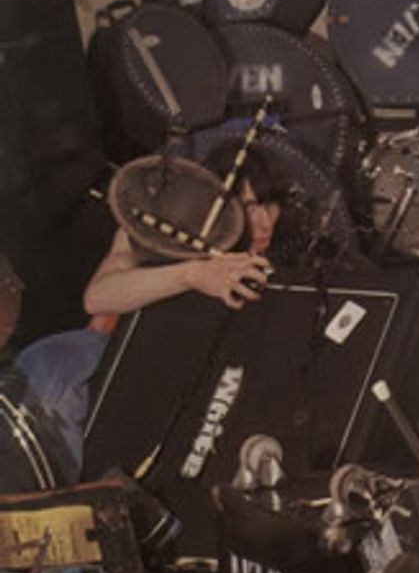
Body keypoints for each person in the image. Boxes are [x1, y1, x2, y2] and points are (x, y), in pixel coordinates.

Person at [13, 144, 290, 477]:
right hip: (147, 356)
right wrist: (191, 275)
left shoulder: (292, 242)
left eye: (270, 205)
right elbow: (98, 297)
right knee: (49, 361)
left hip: (229, 375)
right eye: (250, 207)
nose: (265, 222)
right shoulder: (168, 219)